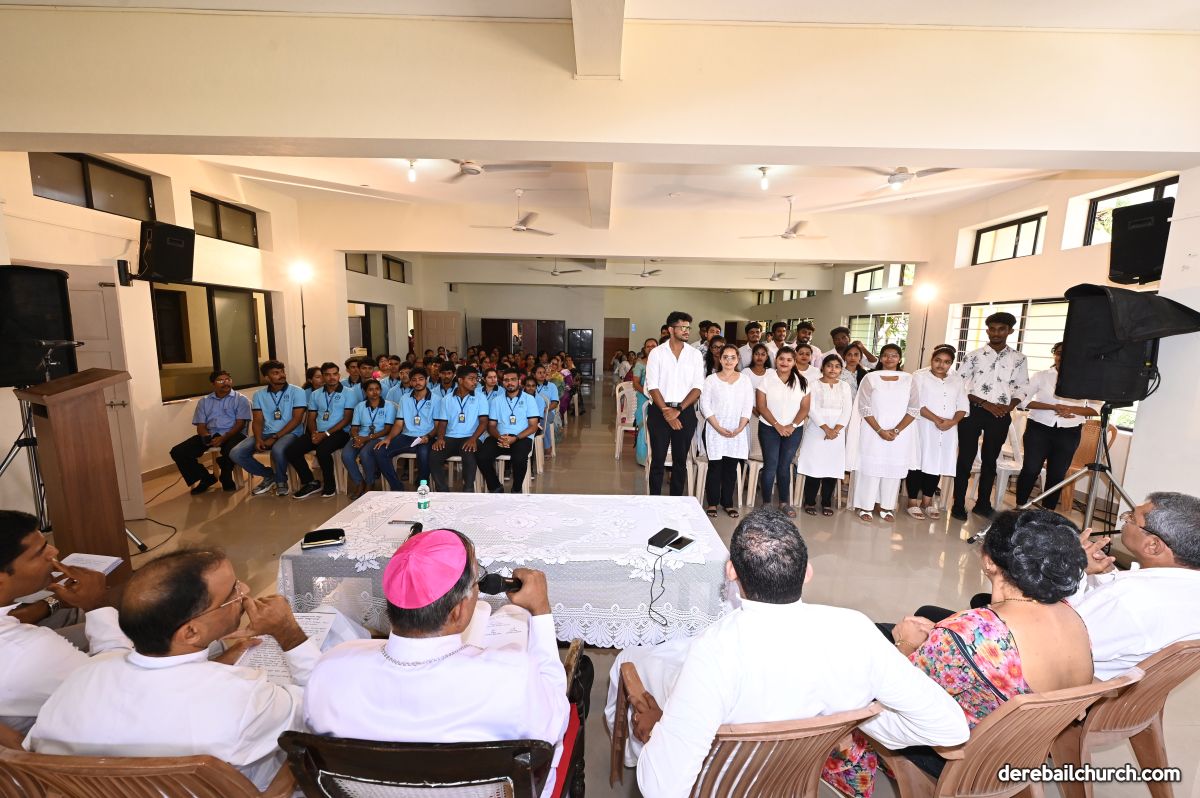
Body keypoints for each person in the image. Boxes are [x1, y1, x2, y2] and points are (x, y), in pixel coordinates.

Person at [615, 509, 968, 798]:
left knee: (633, 661)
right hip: (795, 782)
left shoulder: (716, 650)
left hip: (723, 782)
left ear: (731, 572)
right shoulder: (855, 630)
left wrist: (658, 729)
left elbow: (661, 788)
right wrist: (856, 716)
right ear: (808, 572)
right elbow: (951, 728)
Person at [828, 509, 1091, 794]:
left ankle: (848, 766)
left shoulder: (968, 632)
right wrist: (945, 639)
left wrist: (905, 644)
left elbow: (897, 695)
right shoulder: (1071, 616)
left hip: (964, 756)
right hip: (1023, 748)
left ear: (989, 561)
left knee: (854, 659)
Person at [26, 548, 327, 791]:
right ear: (191, 632)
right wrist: (289, 633)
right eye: (233, 592)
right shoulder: (245, 698)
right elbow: (327, 710)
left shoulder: (78, 681)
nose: (246, 591)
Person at [304, 530, 569, 798]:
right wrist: (541, 611)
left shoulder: (330, 671)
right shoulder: (512, 677)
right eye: (476, 582)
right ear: (458, 611)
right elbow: (555, 721)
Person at [0, 511, 128, 734]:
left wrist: (52, 603)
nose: (54, 552)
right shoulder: (29, 650)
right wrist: (97, 605)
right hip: (83, 735)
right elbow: (119, 685)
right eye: (39, 553)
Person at [1072, 493, 1200, 680]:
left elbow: (1057, 638)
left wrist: (1073, 571)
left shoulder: (1127, 599)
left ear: (1153, 545)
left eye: (1132, 518)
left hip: (1076, 683)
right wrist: (1107, 575)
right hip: (1131, 685)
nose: (1125, 519)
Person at [952, 312, 1030, 521]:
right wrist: (984, 403)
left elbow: (1022, 387)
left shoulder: (1019, 359)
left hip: (1001, 412)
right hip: (973, 410)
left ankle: (983, 505)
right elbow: (958, 385)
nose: (996, 333)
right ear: (987, 331)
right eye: (993, 329)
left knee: (990, 460)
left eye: (1001, 329)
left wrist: (1009, 406)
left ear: (1010, 331)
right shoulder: (974, 356)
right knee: (965, 458)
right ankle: (958, 504)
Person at [1015, 342, 1098, 510]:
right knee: (1031, 469)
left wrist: (1071, 409)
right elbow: (1022, 401)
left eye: (1068, 354)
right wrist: (1052, 407)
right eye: (1059, 353)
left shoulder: (1086, 380)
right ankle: (1020, 507)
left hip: (1069, 432)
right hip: (1038, 428)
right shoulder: (1041, 376)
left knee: (1057, 474)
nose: (1063, 357)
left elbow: (1096, 409)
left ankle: (1047, 511)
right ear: (1054, 355)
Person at [848, 344, 919, 523]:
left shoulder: (909, 379)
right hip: (872, 430)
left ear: (900, 359)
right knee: (869, 468)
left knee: (892, 470)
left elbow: (914, 409)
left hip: (899, 434)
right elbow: (863, 407)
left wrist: (896, 430)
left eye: (894, 355)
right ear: (880, 358)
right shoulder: (870, 378)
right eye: (886, 355)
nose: (890, 358)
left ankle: (886, 506)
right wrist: (879, 430)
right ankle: (865, 506)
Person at [644, 312, 705, 497]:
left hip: (684, 411)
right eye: (682, 327)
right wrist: (666, 411)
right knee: (658, 460)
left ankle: (676, 502)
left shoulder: (695, 354)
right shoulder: (657, 353)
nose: (687, 331)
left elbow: (697, 387)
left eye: (688, 328)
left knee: (680, 461)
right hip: (659, 410)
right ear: (671, 329)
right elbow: (652, 386)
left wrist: (677, 410)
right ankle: (654, 501)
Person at [229, 360, 308, 498]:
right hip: (266, 433)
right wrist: (258, 438)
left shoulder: (297, 391)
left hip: (291, 432)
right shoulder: (259, 395)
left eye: (282, 371)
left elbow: (296, 420)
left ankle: (281, 481)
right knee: (236, 453)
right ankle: (269, 475)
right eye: (276, 373)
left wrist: (275, 437)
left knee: (278, 449)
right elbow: (258, 420)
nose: (281, 375)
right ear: (267, 377)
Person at [907, 345, 969, 519]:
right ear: (932, 360)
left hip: (948, 429)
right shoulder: (919, 376)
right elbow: (916, 403)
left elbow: (963, 405)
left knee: (937, 463)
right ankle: (912, 502)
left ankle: (927, 502)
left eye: (946, 362)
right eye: (938, 360)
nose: (941, 365)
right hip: (924, 425)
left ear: (951, 363)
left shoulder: (956, 380)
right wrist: (936, 419)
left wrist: (953, 421)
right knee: (918, 462)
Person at [169, 370, 252, 494]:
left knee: (231, 448)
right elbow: (201, 425)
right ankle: (205, 477)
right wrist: (205, 436)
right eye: (221, 380)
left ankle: (226, 475)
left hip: (233, 433)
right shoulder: (204, 401)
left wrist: (223, 438)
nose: (225, 383)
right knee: (178, 451)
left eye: (228, 380)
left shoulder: (240, 399)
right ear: (213, 384)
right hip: (211, 433)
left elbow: (240, 424)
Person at [755, 346, 811, 518]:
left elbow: (805, 408)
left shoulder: (802, 382)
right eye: (781, 359)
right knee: (770, 465)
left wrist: (792, 425)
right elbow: (761, 406)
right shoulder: (766, 380)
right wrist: (777, 425)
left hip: (793, 430)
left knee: (784, 466)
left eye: (789, 360)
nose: (784, 362)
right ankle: (766, 504)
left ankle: (784, 503)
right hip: (769, 428)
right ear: (776, 360)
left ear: (794, 362)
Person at [698, 346, 754, 518]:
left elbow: (748, 405)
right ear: (720, 359)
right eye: (725, 357)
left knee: (731, 468)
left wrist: (740, 427)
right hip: (715, 429)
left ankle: (728, 503)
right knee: (715, 467)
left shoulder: (745, 380)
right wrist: (718, 427)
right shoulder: (711, 380)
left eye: (732, 357)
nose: (729, 361)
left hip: (737, 430)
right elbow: (705, 405)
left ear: (738, 360)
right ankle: (712, 503)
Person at [287, 362, 355, 500]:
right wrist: (314, 433)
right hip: (318, 432)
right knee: (291, 450)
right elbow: (311, 418)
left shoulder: (349, 393)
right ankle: (311, 482)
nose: (332, 377)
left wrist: (325, 434)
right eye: (327, 375)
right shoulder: (315, 394)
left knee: (322, 451)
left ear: (339, 375)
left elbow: (347, 419)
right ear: (323, 377)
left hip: (341, 432)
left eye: (335, 374)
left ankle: (330, 485)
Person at [797, 354, 853, 516]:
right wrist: (826, 428)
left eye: (837, 366)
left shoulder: (845, 386)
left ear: (841, 370)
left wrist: (836, 429)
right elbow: (811, 408)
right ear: (822, 368)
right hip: (816, 430)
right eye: (829, 365)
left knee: (832, 468)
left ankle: (826, 502)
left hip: (837, 433)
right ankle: (810, 501)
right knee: (814, 467)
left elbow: (847, 410)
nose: (833, 369)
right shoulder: (813, 384)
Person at [476, 368, 541, 494]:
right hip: (500, 437)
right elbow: (491, 426)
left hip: (521, 437)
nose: (509, 383)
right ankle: (495, 486)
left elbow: (533, 426)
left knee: (519, 459)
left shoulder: (529, 399)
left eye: (513, 380)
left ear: (519, 381)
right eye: (506, 380)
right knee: (481, 456)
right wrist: (500, 438)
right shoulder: (496, 401)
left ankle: (516, 489)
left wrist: (515, 438)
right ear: (502, 382)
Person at [373, 366, 436, 491]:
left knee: (424, 453)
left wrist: (428, 436)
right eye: (414, 380)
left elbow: (439, 425)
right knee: (380, 451)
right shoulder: (405, 398)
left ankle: (422, 485)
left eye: (421, 379)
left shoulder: (436, 399)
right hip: (407, 436)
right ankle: (397, 487)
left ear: (426, 381)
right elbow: (399, 423)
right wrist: (388, 438)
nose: (417, 382)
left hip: (427, 437)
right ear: (411, 382)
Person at [429, 366, 490, 493]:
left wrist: (473, 439)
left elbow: (484, 422)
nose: (475, 382)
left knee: (468, 452)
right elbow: (443, 423)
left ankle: (468, 490)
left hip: (472, 436)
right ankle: (442, 490)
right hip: (451, 437)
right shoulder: (447, 399)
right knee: (434, 455)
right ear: (461, 380)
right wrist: (440, 439)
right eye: (471, 379)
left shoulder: (480, 397)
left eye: (476, 379)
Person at [341, 379, 396, 499]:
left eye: (377, 389)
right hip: (361, 436)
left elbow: (387, 429)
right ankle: (359, 482)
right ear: (365, 392)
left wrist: (366, 438)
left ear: (381, 390)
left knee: (365, 453)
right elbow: (354, 428)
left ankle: (370, 483)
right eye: (370, 390)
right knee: (346, 455)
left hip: (380, 437)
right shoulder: (360, 406)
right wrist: (356, 438)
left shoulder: (389, 406)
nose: (374, 392)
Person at [630, 339, 657, 466]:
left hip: (659, 399)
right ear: (644, 349)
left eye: (653, 346)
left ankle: (658, 456)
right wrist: (648, 394)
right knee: (644, 425)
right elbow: (635, 383)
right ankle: (643, 458)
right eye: (648, 346)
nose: (650, 348)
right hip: (643, 397)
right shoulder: (640, 364)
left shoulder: (662, 362)